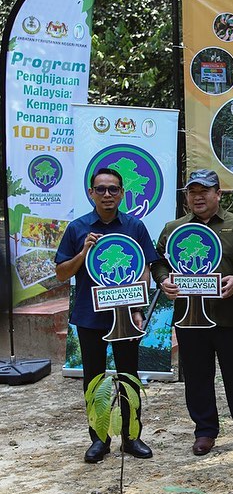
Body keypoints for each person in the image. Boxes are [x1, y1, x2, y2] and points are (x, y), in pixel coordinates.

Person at [151, 169, 233, 457]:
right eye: (192, 192)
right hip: (189, 318)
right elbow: (158, 262)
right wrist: (163, 281)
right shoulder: (174, 228)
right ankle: (205, 431)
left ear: (218, 194)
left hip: (230, 315)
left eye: (204, 191)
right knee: (197, 376)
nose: (198, 197)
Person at [55, 167, 159, 463]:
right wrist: (83, 253)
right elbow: (62, 273)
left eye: (113, 189)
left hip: (126, 315)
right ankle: (99, 439)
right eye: (100, 189)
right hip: (91, 316)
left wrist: (138, 307)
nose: (107, 194)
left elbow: (146, 268)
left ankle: (132, 436)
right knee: (93, 380)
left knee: (130, 376)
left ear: (122, 193)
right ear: (91, 193)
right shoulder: (77, 228)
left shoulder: (135, 226)